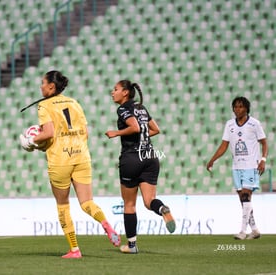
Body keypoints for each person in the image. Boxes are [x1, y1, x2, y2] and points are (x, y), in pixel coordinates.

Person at [20, 70, 120, 258]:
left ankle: (74, 249)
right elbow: (86, 133)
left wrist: (32, 142)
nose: (41, 86)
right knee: (87, 202)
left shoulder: (44, 105)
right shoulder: (75, 103)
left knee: (63, 205)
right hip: (81, 157)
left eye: (43, 83)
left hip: (60, 160)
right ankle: (105, 223)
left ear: (51, 86)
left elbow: (49, 133)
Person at [105, 80, 176, 254]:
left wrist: (117, 133)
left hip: (131, 158)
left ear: (125, 93)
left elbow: (135, 127)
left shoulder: (123, 109)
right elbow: (155, 129)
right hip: (150, 156)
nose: (112, 92)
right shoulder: (141, 108)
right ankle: (162, 209)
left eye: (116, 89)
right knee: (149, 201)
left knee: (129, 204)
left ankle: (132, 246)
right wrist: (140, 135)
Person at [206, 96, 267, 240]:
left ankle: (242, 231)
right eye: (235, 107)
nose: (237, 109)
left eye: (240, 106)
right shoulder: (230, 125)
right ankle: (255, 230)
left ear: (246, 108)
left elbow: (264, 143)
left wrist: (263, 160)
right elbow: (224, 145)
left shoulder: (254, 124)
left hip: (251, 165)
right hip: (236, 167)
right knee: (243, 200)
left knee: (246, 196)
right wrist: (212, 159)